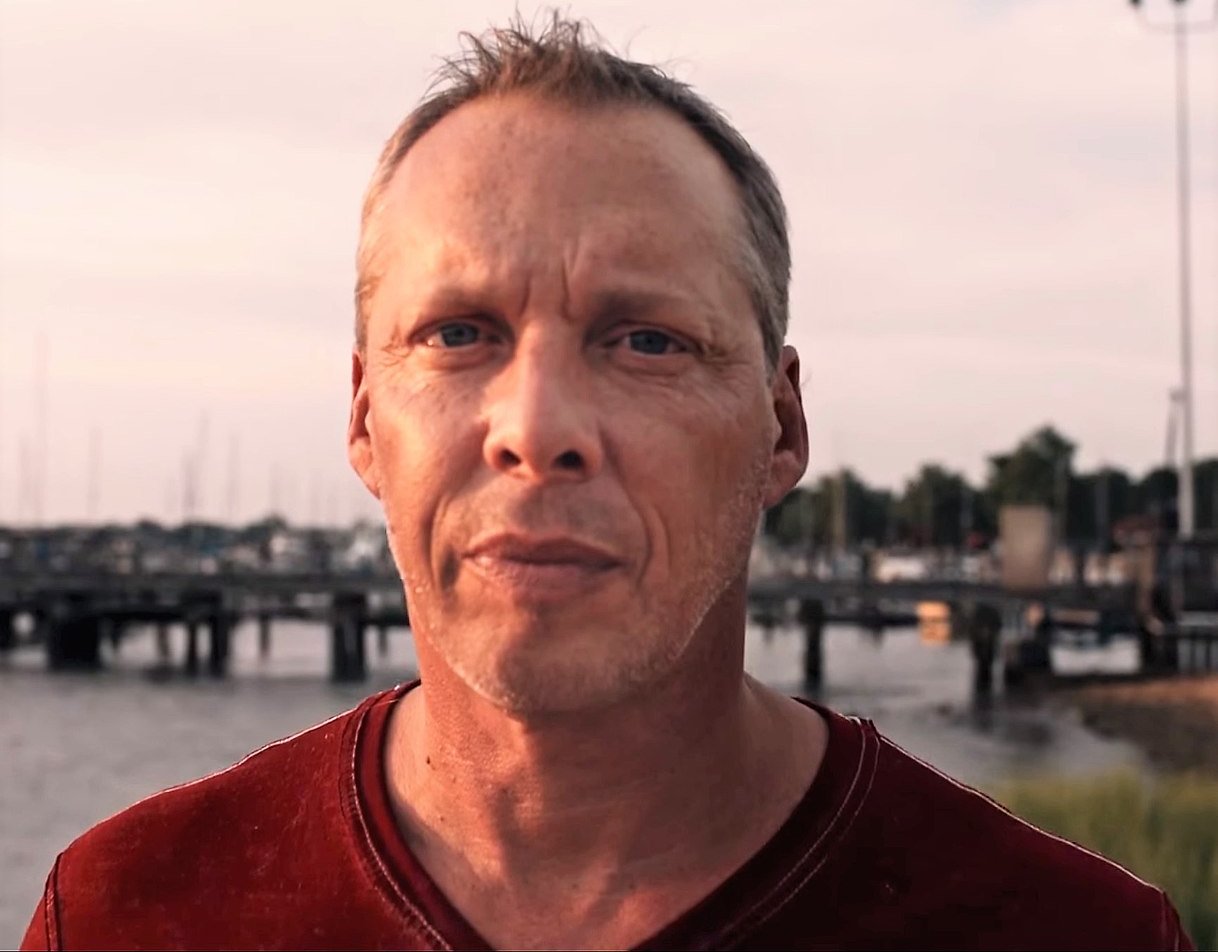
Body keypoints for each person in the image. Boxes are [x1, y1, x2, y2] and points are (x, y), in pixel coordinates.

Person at [21, 16, 1194, 951]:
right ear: (365, 417)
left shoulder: (1070, 932)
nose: (538, 428)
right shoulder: (133, 914)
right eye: (458, 333)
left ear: (781, 427)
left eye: (645, 341)